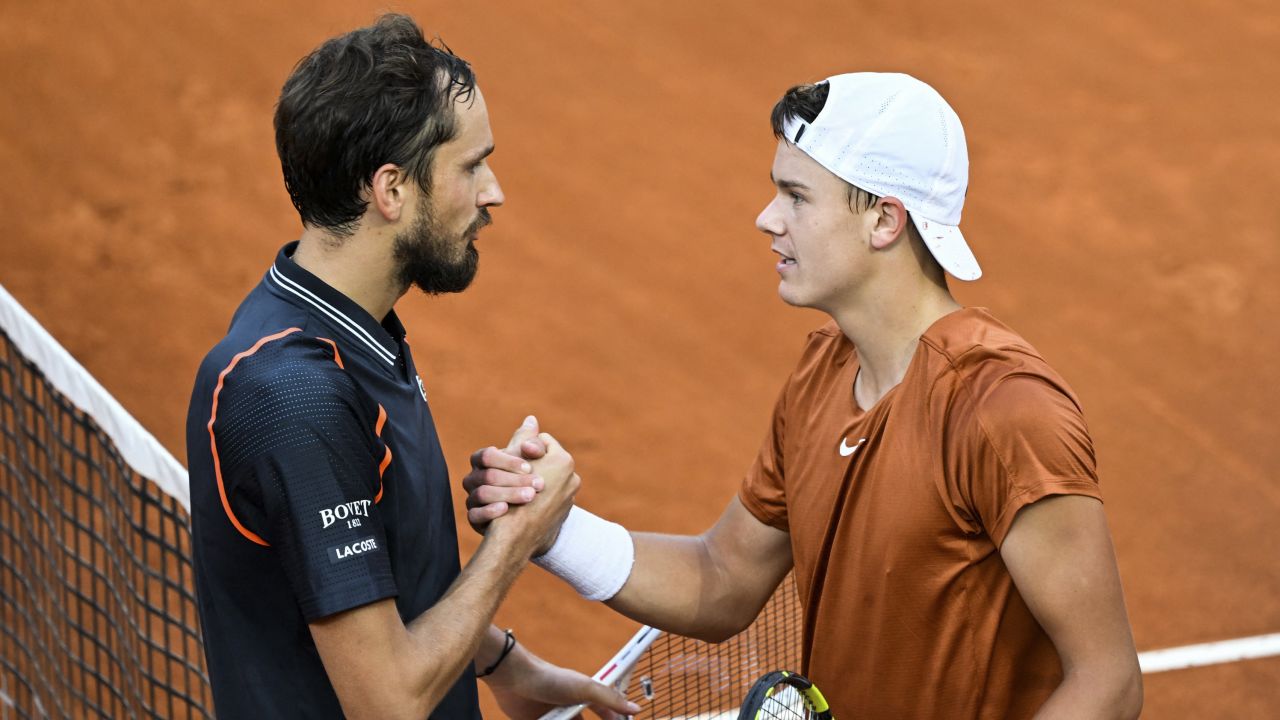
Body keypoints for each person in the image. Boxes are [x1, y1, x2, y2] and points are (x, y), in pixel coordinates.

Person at [465, 73, 1144, 718]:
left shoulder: (1005, 412)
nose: (767, 218)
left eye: (797, 196)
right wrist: (553, 528)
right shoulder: (823, 369)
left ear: (884, 221)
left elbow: (1106, 684)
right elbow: (724, 576)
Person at [184, 14, 639, 720]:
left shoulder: (348, 331)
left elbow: (371, 585)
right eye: (471, 165)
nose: (495, 193)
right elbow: (387, 700)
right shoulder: (297, 396)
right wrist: (516, 541)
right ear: (391, 191)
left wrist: (509, 666)